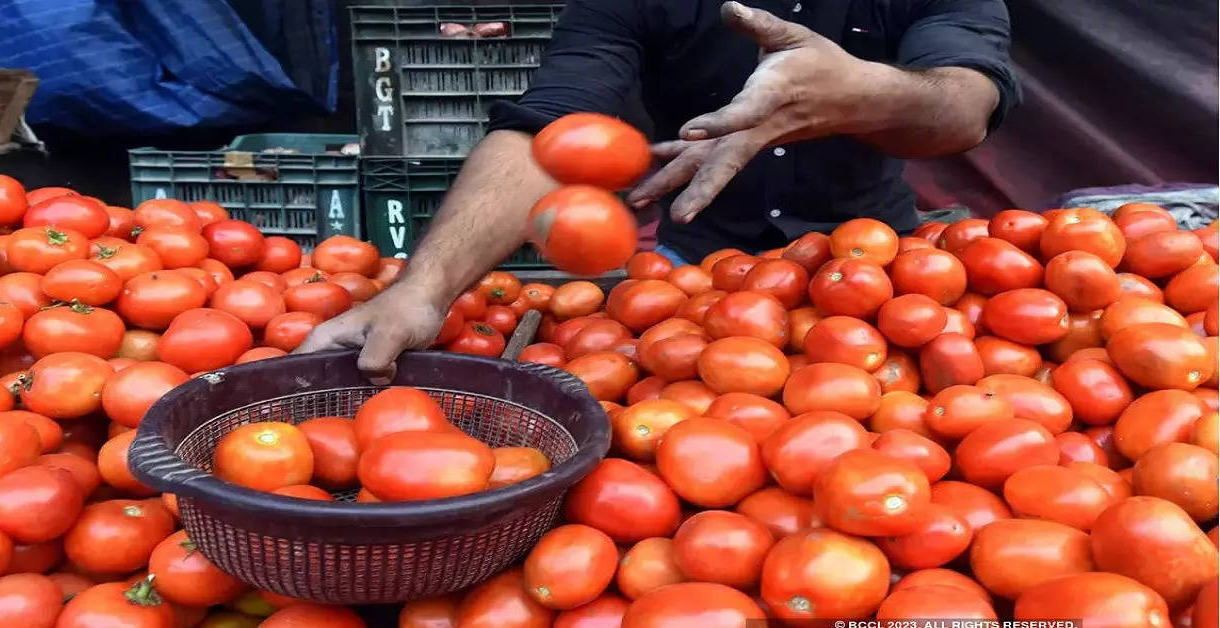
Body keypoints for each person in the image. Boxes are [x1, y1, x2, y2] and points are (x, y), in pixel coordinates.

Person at [297, 0, 1020, 380]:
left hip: (878, 277)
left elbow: (965, 103)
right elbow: (551, 129)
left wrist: (861, 95)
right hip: (692, 283)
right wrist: (426, 288)